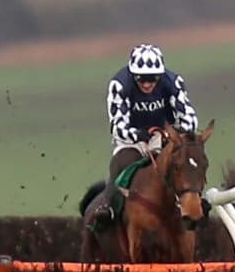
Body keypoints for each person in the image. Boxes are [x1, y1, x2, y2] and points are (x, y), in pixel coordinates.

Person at [85, 43, 200, 234]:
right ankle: (108, 206)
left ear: (160, 75)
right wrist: (138, 134)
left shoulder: (173, 82)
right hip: (131, 139)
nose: (147, 84)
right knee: (122, 162)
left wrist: (176, 132)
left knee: (187, 160)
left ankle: (195, 202)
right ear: (133, 75)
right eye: (141, 79)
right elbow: (117, 126)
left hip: (163, 135)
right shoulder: (119, 85)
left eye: (152, 79)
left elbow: (190, 118)